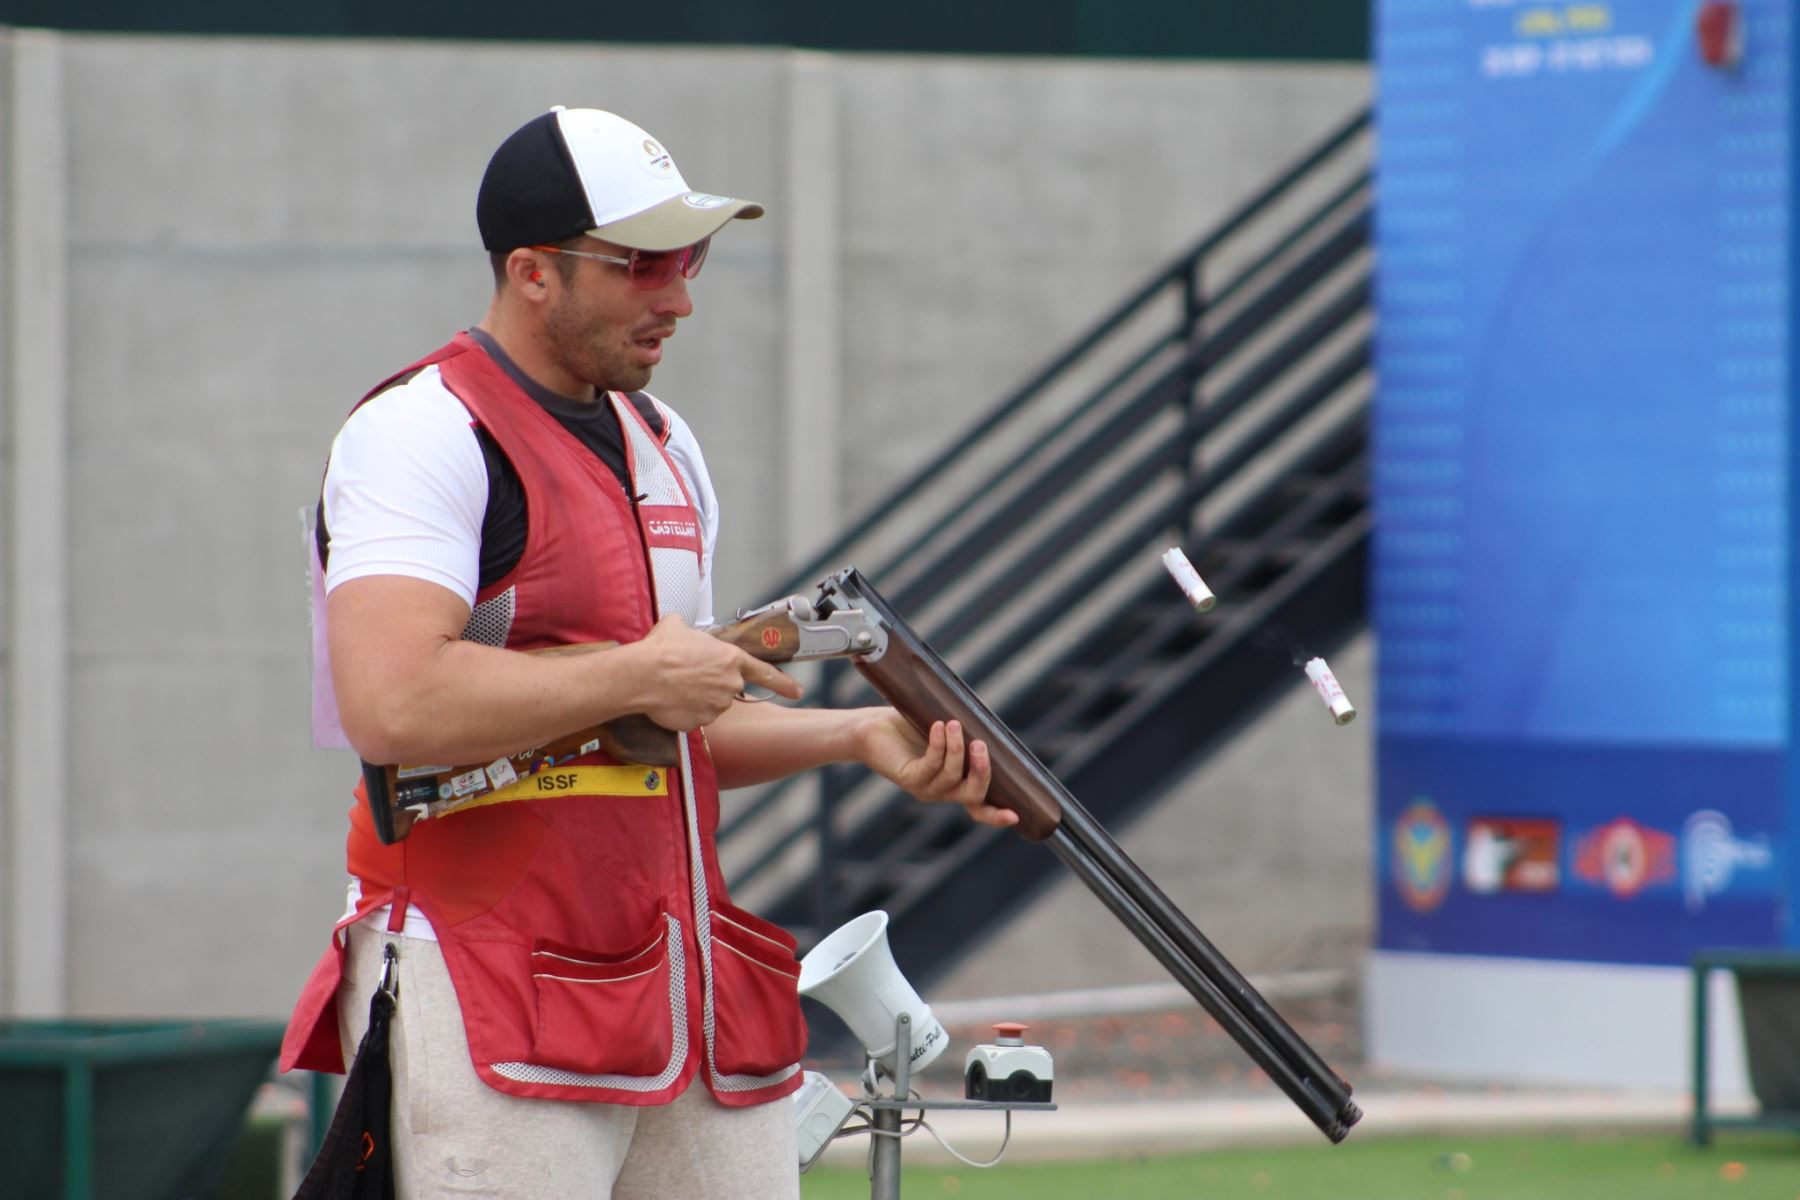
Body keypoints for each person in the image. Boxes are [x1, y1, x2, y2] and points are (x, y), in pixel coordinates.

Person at [279, 106, 1016, 1199]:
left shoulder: (665, 444)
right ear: (533, 271)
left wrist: (859, 734)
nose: (679, 293)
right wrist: (641, 672)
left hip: (676, 976)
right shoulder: (422, 430)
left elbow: (674, 719)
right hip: (486, 970)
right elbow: (392, 699)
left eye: (693, 255)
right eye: (642, 263)